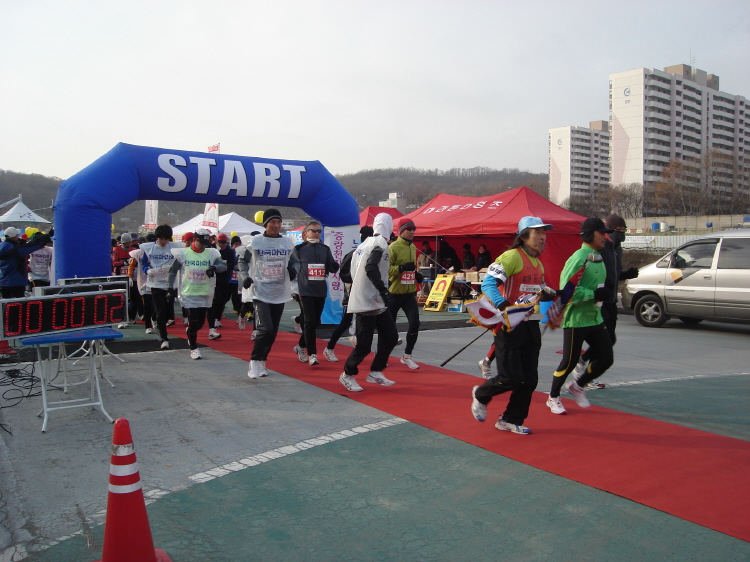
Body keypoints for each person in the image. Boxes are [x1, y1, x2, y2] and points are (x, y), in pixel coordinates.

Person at [470, 216, 555, 435]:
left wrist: (551, 297)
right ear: (524, 236)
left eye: (544, 233)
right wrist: (503, 305)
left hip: (530, 324)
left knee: (530, 379)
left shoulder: (538, 263)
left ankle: (510, 419)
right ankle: (481, 394)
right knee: (510, 377)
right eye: (538, 233)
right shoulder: (511, 257)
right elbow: (488, 284)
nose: (543, 238)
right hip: (508, 325)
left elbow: (538, 291)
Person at [546, 217, 615, 415]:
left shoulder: (598, 256)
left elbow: (597, 284)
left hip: (595, 317)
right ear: (589, 235)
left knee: (606, 358)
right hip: (576, 319)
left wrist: (605, 290)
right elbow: (567, 291)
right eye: (601, 233)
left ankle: (578, 386)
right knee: (569, 361)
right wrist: (594, 294)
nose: (605, 237)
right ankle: (553, 396)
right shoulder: (579, 257)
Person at [569, 214, 639, 388]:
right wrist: (596, 292)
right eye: (618, 230)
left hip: (612, 300)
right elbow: (594, 273)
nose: (621, 233)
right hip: (600, 302)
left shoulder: (617, 250)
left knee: (609, 341)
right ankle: (582, 369)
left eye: (624, 230)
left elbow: (614, 274)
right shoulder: (602, 248)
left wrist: (626, 274)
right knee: (606, 341)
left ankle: (585, 367)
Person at [339, 213, 399, 392]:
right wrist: (383, 290)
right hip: (368, 300)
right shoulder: (380, 244)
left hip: (373, 299)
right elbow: (371, 267)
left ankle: (375, 371)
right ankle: (347, 374)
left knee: (390, 336)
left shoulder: (364, 244)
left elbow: (351, 269)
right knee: (364, 345)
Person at [238, 209, 299, 379]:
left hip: (279, 291)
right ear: (266, 224)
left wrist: (293, 270)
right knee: (266, 329)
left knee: (273, 332)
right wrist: (245, 277)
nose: (276, 225)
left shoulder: (287, 242)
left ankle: (263, 360)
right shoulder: (256, 241)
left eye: (279, 222)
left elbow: (296, 261)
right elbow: (242, 260)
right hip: (260, 291)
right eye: (273, 222)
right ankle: (254, 361)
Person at [168, 228, 227, 360]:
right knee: (193, 321)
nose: (204, 246)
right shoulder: (183, 254)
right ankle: (194, 348)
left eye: (206, 244)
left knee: (200, 323)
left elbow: (224, 266)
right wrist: (170, 288)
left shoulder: (211, 253)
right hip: (188, 294)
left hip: (204, 293)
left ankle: (190, 331)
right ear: (194, 240)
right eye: (202, 243)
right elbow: (172, 271)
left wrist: (214, 268)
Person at [291, 221, 340, 366]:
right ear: (306, 233)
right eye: (314, 230)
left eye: (319, 231)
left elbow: (331, 267)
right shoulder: (298, 249)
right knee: (309, 321)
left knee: (315, 322)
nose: (317, 233)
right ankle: (312, 354)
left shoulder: (324, 249)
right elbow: (291, 267)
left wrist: (334, 266)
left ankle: (300, 346)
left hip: (320, 290)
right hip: (305, 290)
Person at [324, 226, 373, 361]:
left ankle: (359, 343)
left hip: (366, 295)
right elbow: (343, 273)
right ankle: (329, 347)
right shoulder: (354, 253)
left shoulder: (372, 254)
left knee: (368, 321)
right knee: (345, 322)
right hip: (352, 294)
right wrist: (356, 279)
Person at [387, 220, 424, 370]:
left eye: (414, 229)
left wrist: (416, 275)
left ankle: (407, 356)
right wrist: (401, 268)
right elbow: (386, 269)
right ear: (401, 231)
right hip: (394, 293)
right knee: (389, 329)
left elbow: (411, 268)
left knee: (415, 323)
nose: (412, 232)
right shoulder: (393, 247)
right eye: (409, 229)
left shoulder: (413, 247)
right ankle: (382, 354)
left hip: (409, 293)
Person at [142, 224, 181, 349]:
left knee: (168, 312)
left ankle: (158, 324)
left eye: (166, 239)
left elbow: (182, 262)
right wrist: (147, 270)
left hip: (170, 284)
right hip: (155, 284)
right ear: (157, 237)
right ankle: (164, 338)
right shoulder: (149, 248)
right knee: (161, 311)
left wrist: (172, 268)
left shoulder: (175, 248)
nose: (164, 241)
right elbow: (144, 263)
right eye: (161, 239)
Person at [0, 227, 53, 299]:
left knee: (5, 304)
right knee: (18, 304)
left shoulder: (2, 246)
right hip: (16, 281)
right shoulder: (16, 249)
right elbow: (33, 245)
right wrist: (48, 235)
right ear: (14, 237)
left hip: (3, 282)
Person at [210, 233, 236, 334]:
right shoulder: (213, 250)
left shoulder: (230, 251)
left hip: (225, 278)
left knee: (223, 299)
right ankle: (214, 319)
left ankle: (218, 318)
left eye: (223, 242)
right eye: (219, 242)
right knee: (216, 299)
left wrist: (223, 267)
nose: (221, 244)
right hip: (214, 278)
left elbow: (232, 263)